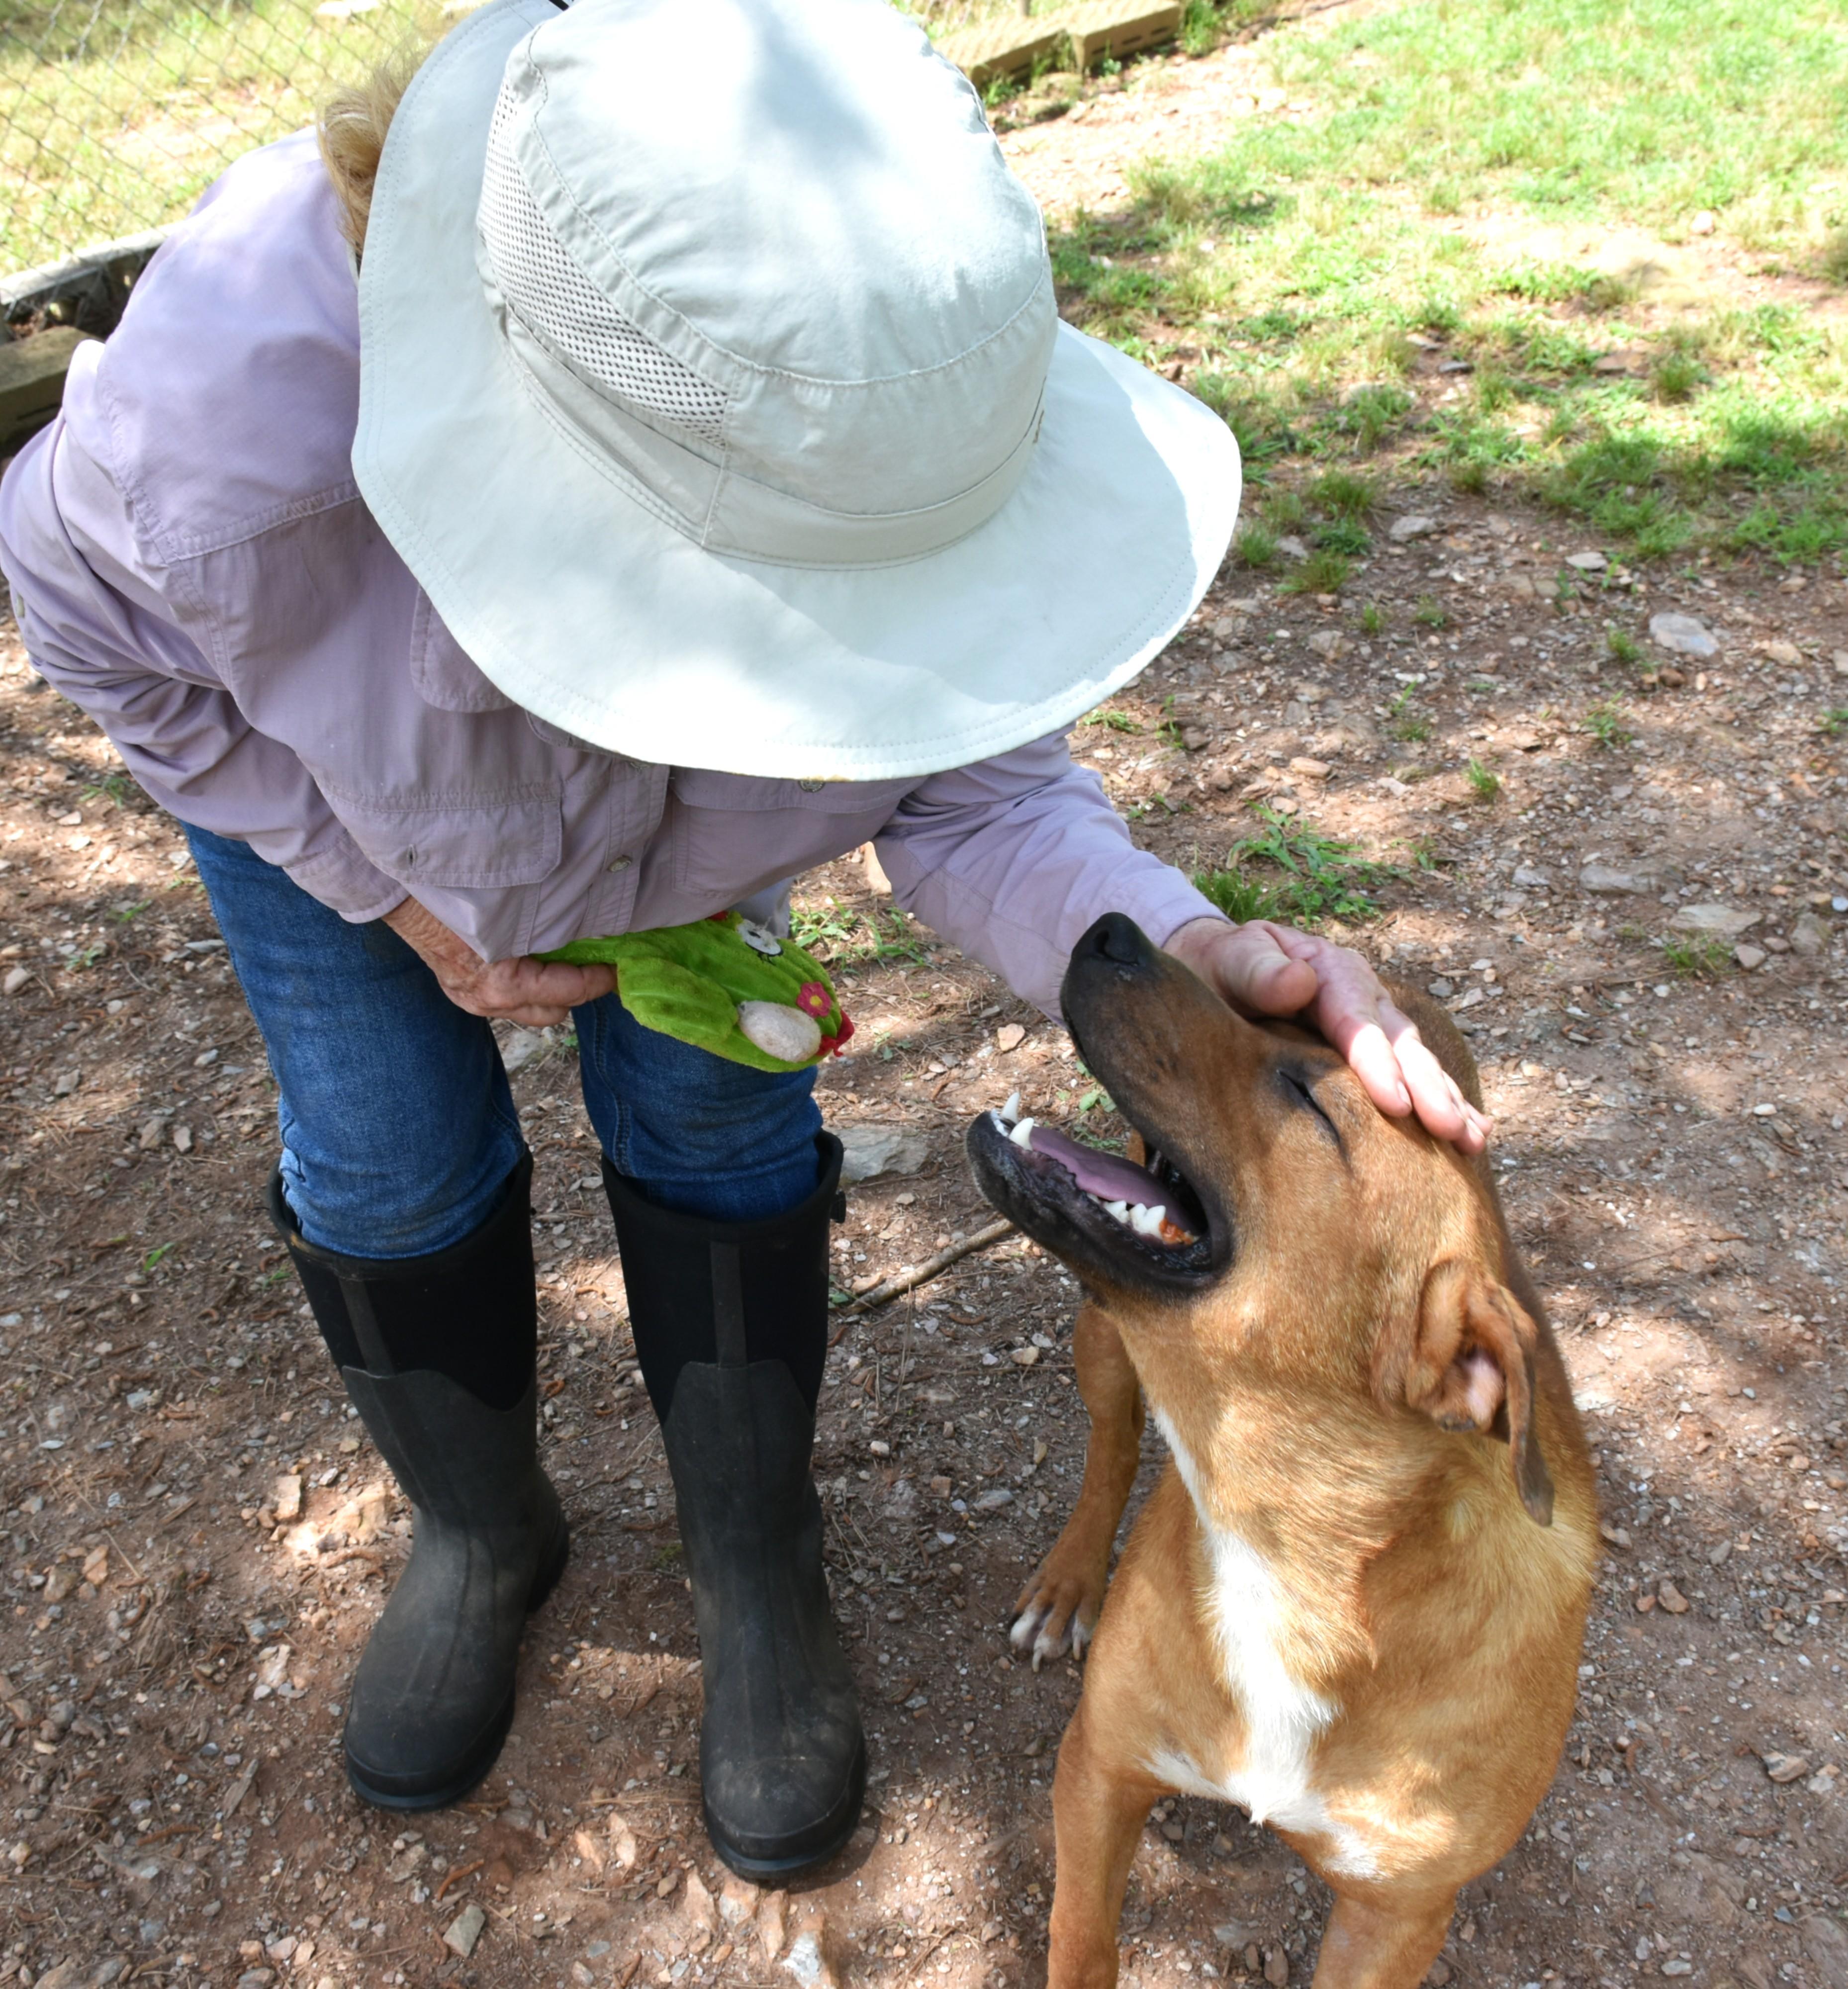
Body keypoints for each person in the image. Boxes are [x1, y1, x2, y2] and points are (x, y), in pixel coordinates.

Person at [0, 0, 1487, 1880]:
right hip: (337, 840)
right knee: (380, 1164)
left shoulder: (858, 390)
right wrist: (381, 892)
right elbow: (102, 638)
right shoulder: (225, 442)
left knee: (717, 1133)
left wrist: (1194, 957)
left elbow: (970, 789)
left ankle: (753, 1556)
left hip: (681, 887)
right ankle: (481, 1534)